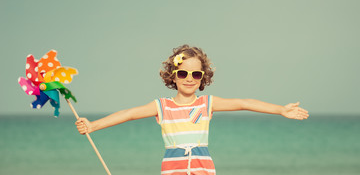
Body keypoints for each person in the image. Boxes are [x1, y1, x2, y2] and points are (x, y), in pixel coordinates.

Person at [75, 44, 309, 175]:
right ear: (173, 76)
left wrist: (280, 110)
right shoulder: (162, 107)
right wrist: (94, 125)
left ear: (202, 78)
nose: (189, 78)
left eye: (196, 74)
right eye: (183, 73)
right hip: (172, 170)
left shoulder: (207, 104)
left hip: (203, 170)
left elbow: (244, 102)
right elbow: (129, 114)